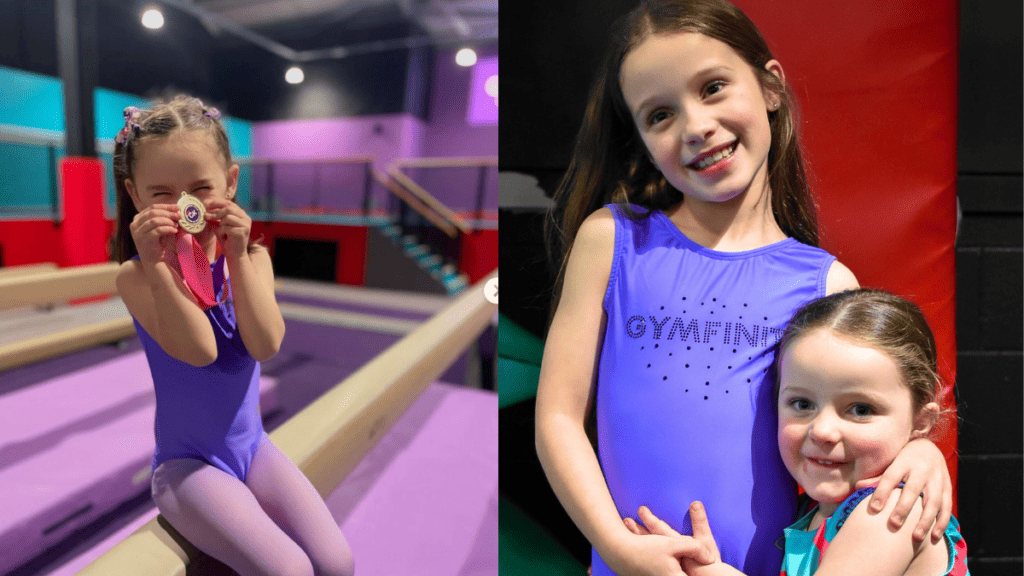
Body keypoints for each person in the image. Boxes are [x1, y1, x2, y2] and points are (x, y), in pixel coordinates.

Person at [533, 1, 953, 575]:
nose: (696, 126)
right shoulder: (612, 242)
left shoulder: (825, 282)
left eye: (712, 88)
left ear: (770, 88)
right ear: (640, 136)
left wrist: (921, 452)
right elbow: (558, 417)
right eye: (659, 115)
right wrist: (618, 547)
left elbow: (856, 433)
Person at [113, 96, 355, 576]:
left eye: (200, 187)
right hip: (187, 468)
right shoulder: (136, 276)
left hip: (253, 449)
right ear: (135, 196)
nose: (184, 206)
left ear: (231, 181)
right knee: (289, 570)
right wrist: (161, 267)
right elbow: (200, 351)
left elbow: (265, 344)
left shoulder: (254, 260)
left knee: (337, 562)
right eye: (161, 193)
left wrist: (240, 256)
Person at [625, 289, 969, 575]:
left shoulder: (891, 512)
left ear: (921, 422)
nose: (822, 430)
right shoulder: (812, 509)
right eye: (803, 404)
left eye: (861, 409)